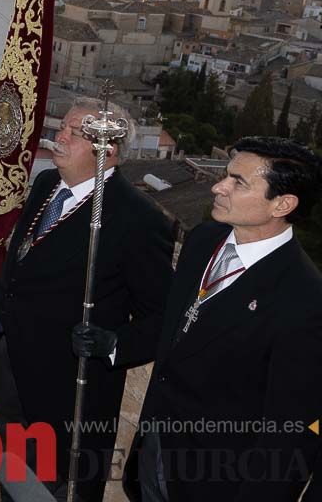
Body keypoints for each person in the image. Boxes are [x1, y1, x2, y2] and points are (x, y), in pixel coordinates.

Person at [0, 99, 175, 502]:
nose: (59, 137)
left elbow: (162, 316)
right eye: (63, 127)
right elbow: (22, 267)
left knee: (54, 490)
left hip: (66, 394)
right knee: (15, 482)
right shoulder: (47, 186)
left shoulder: (139, 221)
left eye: (75, 133)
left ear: (108, 150)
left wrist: (114, 344)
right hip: (12, 374)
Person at [122, 136, 322, 502]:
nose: (218, 186)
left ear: (283, 204)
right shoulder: (203, 240)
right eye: (226, 175)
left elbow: (288, 433)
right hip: (153, 452)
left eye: (238, 182)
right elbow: (175, 331)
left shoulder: (305, 299)